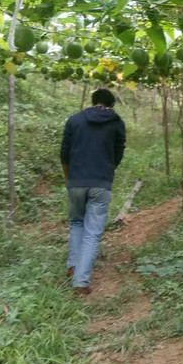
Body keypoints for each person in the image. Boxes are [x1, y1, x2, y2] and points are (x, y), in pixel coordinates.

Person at [60, 88, 126, 294]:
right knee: (92, 233)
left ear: (93, 101)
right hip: (101, 183)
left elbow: (64, 153)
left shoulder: (74, 120)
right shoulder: (116, 123)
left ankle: (73, 266)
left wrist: (68, 177)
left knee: (77, 223)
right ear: (112, 105)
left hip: (76, 181)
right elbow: (118, 152)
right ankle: (81, 282)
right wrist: (106, 171)